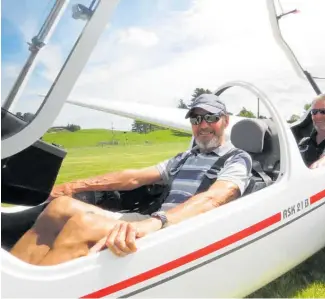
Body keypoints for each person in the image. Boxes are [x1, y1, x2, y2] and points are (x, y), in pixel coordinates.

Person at [10, 94, 252, 266]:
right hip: (156, 221)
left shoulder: (237, 158)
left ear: (225, 121)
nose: (203, 125)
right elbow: (132, 177)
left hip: (182, 228)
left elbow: (215, 198)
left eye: (210, 117)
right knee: (60, 207)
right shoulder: (186, 157)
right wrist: (69, 187)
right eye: (196, 120)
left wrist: (155, 222)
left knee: (83, 224)